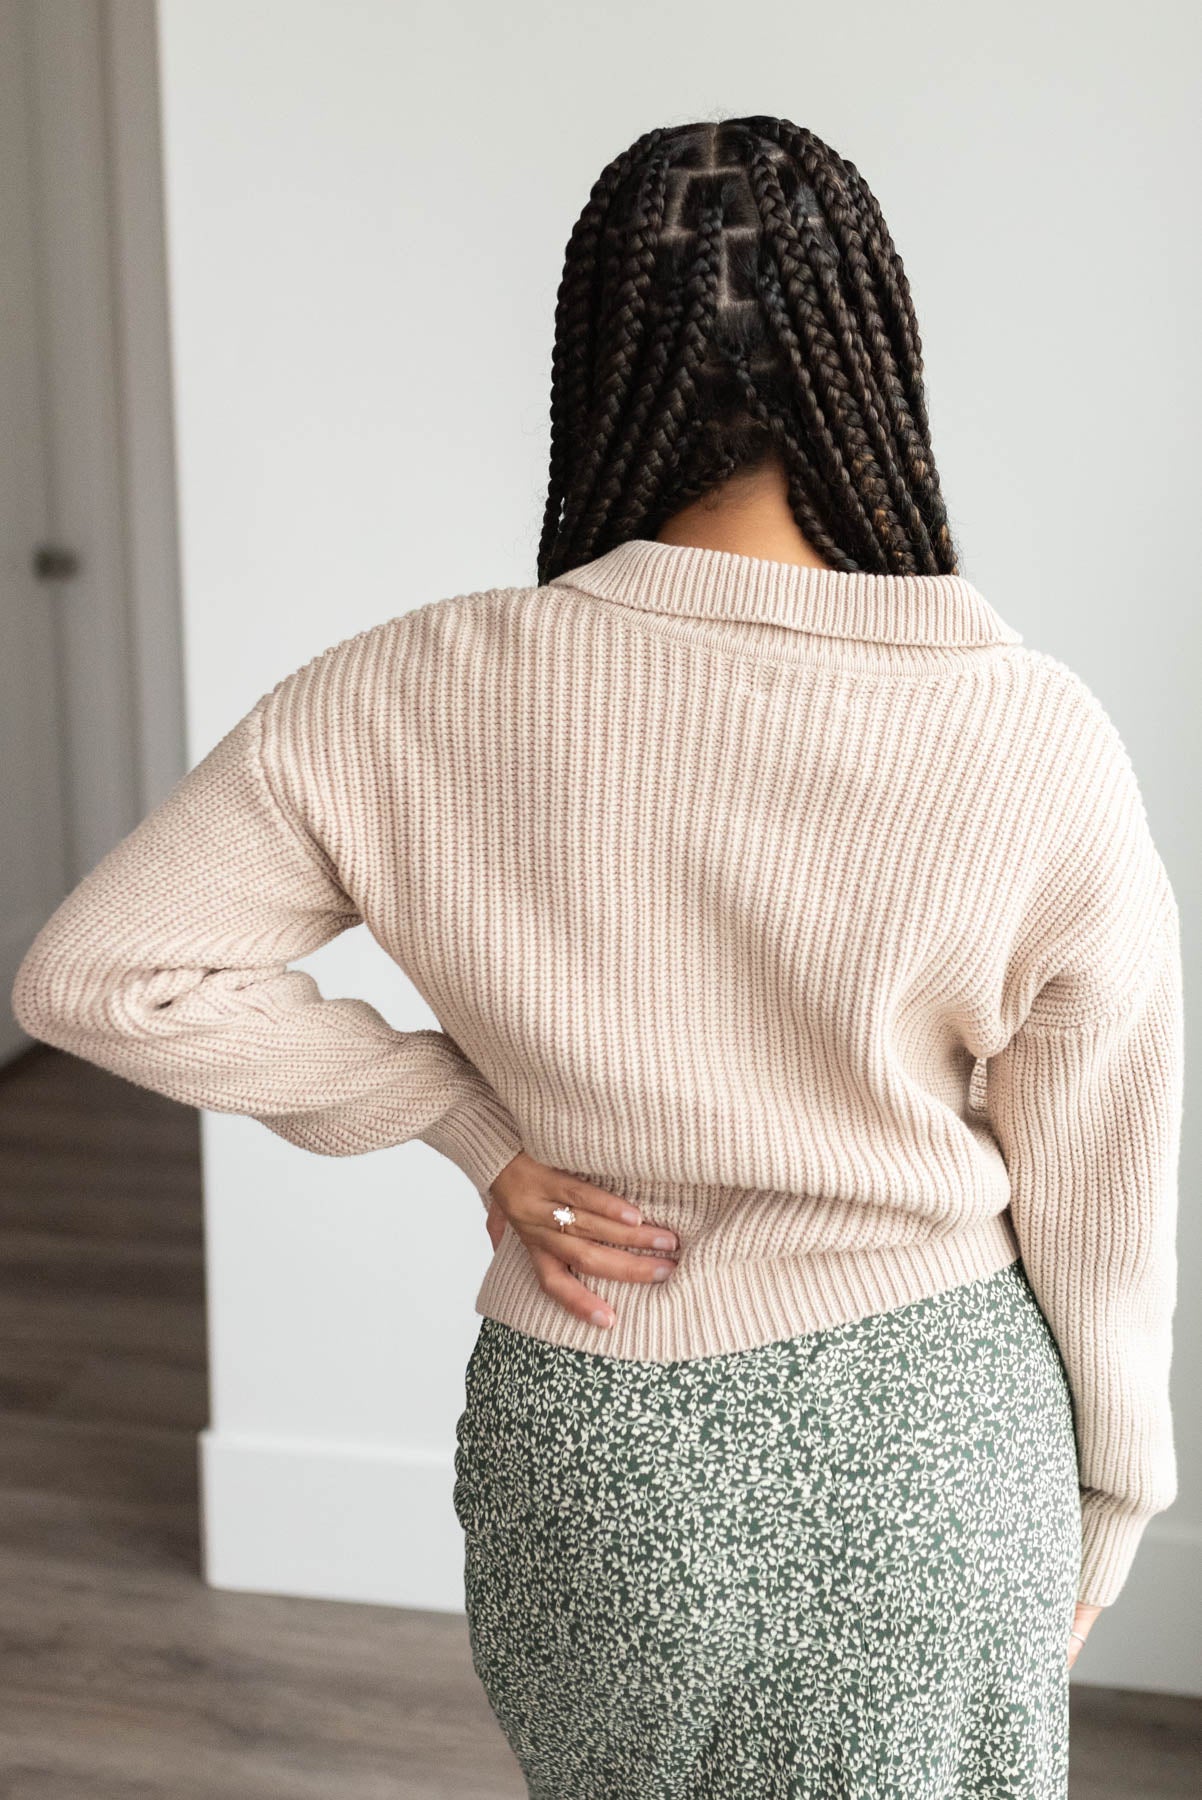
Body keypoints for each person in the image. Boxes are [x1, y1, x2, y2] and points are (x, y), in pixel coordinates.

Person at [11, 115, 1183, 1799]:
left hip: (598, 1442)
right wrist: (1112, 1493)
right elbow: (1100, 1175)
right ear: (874, 361)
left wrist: (463, 1125)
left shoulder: (407, 689)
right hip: (930, 1456)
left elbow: (101, 977)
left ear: (598, 362)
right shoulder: (1025, 734)